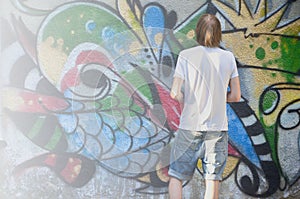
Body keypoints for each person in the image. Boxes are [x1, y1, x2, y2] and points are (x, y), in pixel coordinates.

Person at [168, 14, 241, 199]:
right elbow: (235, 96)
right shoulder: (228, 57)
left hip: (189, 127)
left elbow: (174, 93)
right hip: (217, 129)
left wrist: (188, 98)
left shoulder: (186, 56)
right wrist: (216, 96)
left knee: (176, 176)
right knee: (212, 179)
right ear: (219, 34)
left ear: (198, 31)